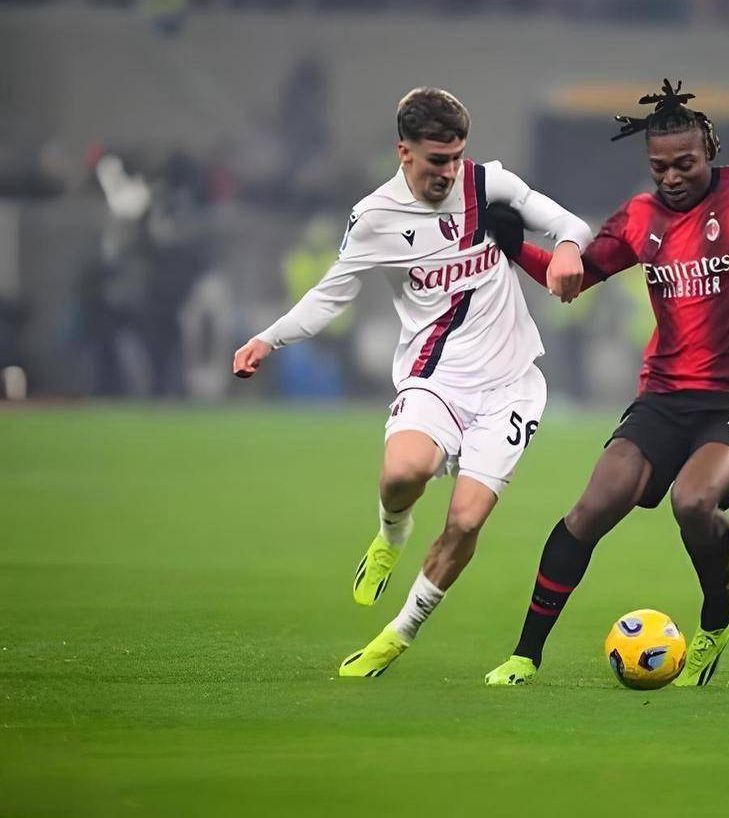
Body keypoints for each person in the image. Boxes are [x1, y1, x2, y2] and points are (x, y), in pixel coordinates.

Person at [483, 80, 729, 687]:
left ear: (710, 150)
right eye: (660, 167)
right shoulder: (639, 217)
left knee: (693, 500)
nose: (673, 177)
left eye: (686, 163)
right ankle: (525, 654)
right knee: (593, 506)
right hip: (664, 397)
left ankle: (716, 617)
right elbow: (568, 280)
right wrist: (514, 245)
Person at [232, 87, 590, 677]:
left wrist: (570, 248)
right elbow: (331, 295)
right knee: (403, 474)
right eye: (436, 160)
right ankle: (391, 535)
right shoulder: (375, 217)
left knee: (466, 521)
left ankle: (398, 633)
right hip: (435, 380)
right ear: (404, 152)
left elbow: (567, 223)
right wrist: (268, 339)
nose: (449, 172)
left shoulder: (487, 184)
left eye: (456, 157)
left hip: (511, 386)